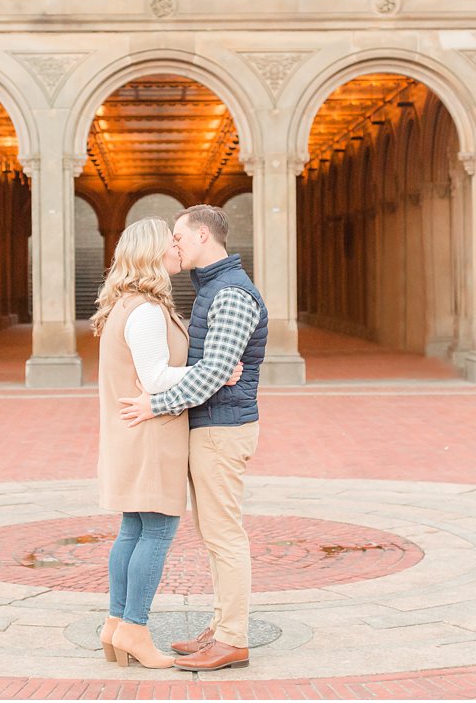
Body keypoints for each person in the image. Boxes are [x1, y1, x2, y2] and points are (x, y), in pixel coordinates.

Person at [119, 204, 267, 672]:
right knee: (213, 533)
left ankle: (232, 639)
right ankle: (222, 625)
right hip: (212, 425)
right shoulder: (211, 289)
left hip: (224, 429)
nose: (173, 245)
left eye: (179, 237)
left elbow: (216, 372)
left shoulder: (231, 294)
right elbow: (211, 369)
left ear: (203, 236)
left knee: (224, 535)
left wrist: (155, 404)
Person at [92, 216, 195, 670]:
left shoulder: (124, 305)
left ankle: (116, 625)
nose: (178, 249)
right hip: (153, 435)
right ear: (155, 253)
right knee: (156, 531)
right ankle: (134, 627)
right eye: (171, 243)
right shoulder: (147, 311)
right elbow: (155, 377)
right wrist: (213, 372)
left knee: (132, 530)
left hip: (130, 434)